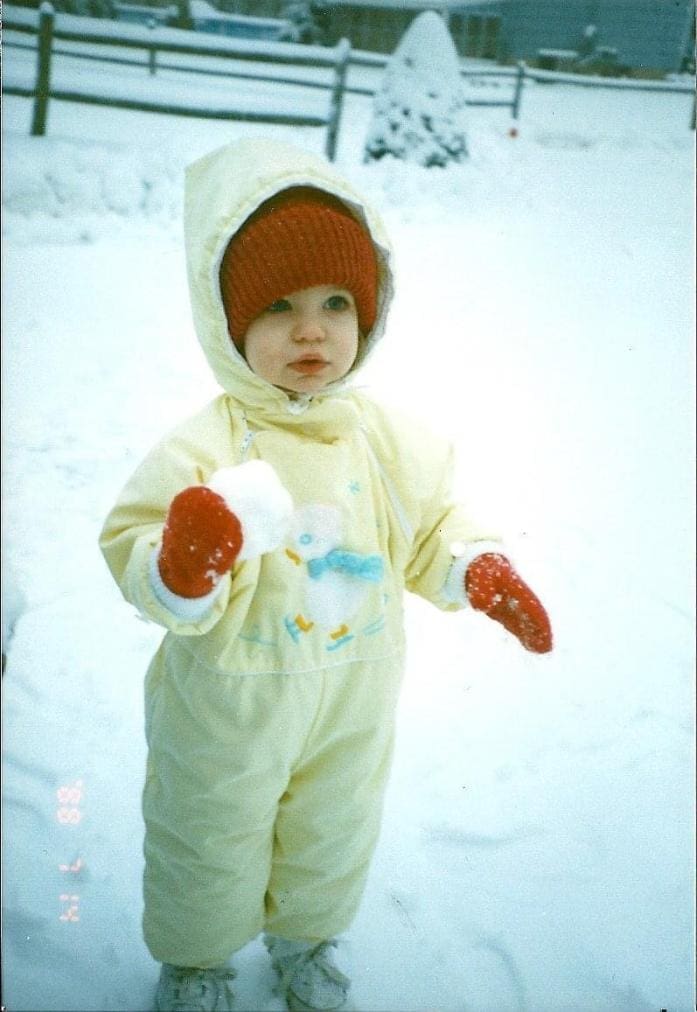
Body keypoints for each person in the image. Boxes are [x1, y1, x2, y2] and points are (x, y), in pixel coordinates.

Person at [99, 137, 553, 1012]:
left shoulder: (390, 441)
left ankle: (306, 941)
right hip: (228, 703)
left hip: (353, 696)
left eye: (335, 301)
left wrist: (474, 567)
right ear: (229, 324)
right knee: (208, 835)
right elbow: (135, 538)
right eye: (278, 305)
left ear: (368, 313)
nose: (311, 328)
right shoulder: (207, 442)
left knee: (332, 832)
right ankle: (195, 961)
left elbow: (428, 532)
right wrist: (184, 567)